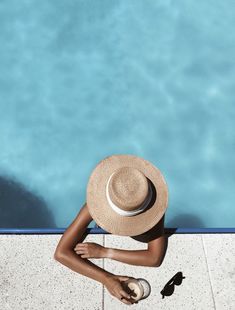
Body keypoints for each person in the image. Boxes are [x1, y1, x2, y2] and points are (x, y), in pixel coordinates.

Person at [54, 154, 168, 306]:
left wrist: (105, 252)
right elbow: (61, 253)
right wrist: (106, 278)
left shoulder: (152, 209)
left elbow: (154, 258)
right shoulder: (94, 206)